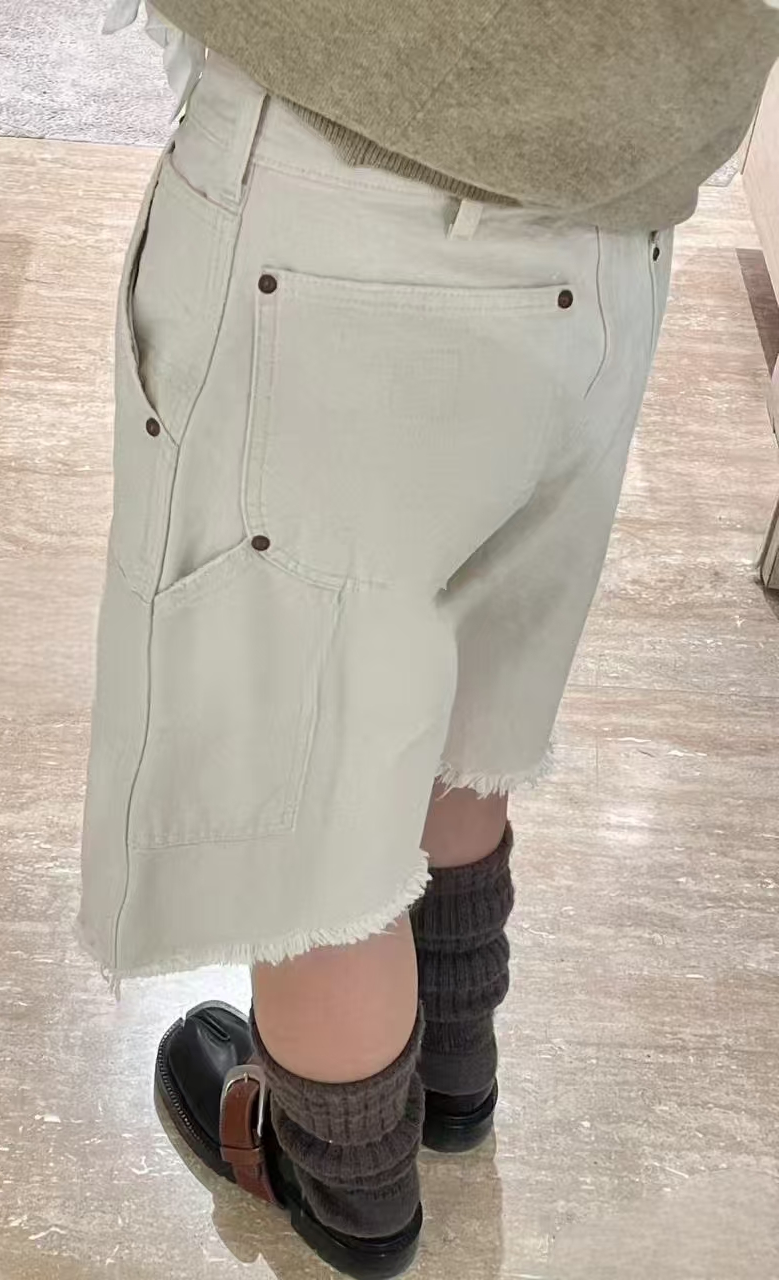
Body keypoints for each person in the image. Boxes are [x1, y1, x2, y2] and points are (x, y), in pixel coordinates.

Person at [80, 4, 779, 1275]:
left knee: (309, 796)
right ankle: (450, 1070)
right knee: (467, 697)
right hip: (619, 211)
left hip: (348, 181)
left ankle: (344, 1183)